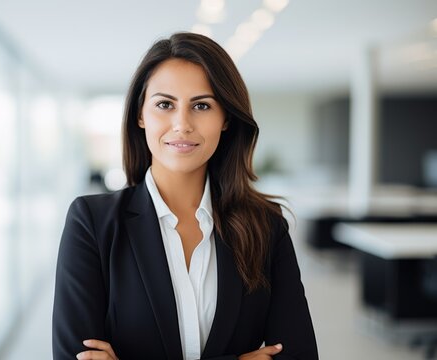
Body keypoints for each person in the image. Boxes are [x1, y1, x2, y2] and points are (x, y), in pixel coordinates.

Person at [52, 32, 318, 360]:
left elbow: (299, 354)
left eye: (202, 105)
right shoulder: (92, 223)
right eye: (165, 104)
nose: (182, 124)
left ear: (225, 119)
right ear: (140, 115)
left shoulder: (266, 225)